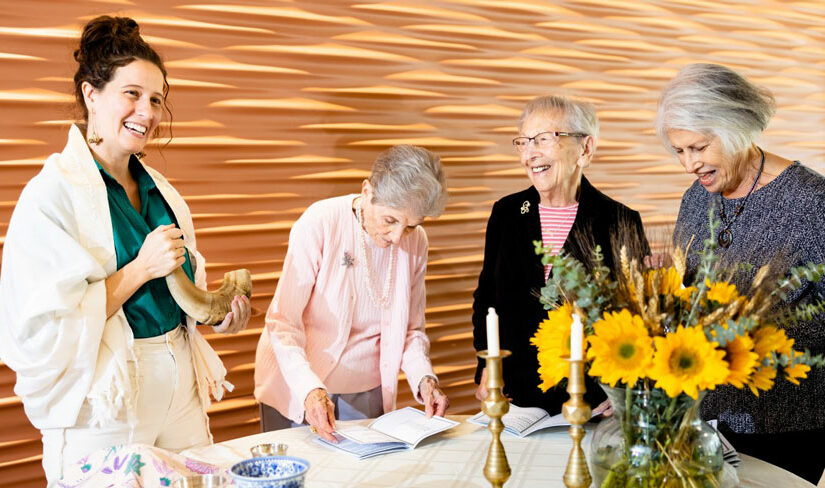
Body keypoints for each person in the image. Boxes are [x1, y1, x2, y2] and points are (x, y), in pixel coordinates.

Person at [0, 16, 250, 485]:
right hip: (106, 398)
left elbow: (180, 293)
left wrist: (216, 316)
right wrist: (139, 270)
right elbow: (39, 329)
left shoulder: (164, 193)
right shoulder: (51, 195)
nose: (148, 111)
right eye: (132, 94)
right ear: (91, 95)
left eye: (156, 99)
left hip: (181, 389)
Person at [658, 63, 825, 483]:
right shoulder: (696, 199)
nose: (689, 165)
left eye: (698, 148)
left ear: (736, 129)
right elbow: (687, 289)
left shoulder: (811, 202)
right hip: (706, 415)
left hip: (785, 422)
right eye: (680, 151)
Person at [254, 145, 450, 441]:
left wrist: (423, 376)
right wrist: (310, 389)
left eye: (410, 226)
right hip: (298, 385)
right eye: (390, 220)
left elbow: (411, 329)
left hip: (366, 392)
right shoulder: (320, 222)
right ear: (368, 192)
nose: (398, 237)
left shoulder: (416, 242)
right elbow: (283, 323)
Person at [472, 95, 649, 414]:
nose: (530, 154)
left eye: (543, 139)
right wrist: (486, 365)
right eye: (523, 142)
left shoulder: (619, 220)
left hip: (590, 403)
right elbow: (487, 298)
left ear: (586, 148)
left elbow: (637, 317)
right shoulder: (507, 213)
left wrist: (624, 387)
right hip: (515, 402)